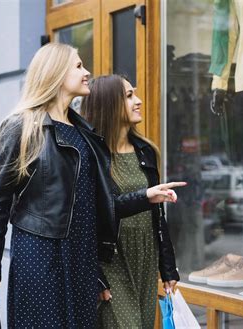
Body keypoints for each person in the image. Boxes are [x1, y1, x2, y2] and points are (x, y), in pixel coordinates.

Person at [0, 43, 185, 328]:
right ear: (56, 73)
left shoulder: (85, 134)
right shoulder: (22, 128)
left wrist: (145, 197)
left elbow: (96, 205)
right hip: (41, 259)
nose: (86, 72)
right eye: (78, 66)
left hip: (82, 262)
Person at [81, 75, 180, 328]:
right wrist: (95, 276)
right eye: (128, 96)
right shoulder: (90, 156)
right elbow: (91, 216)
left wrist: (168, 269)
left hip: (146, 256)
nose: (138, 101)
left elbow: (159, 218)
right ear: (108, 104)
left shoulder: (146, 151)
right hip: (112, 259)